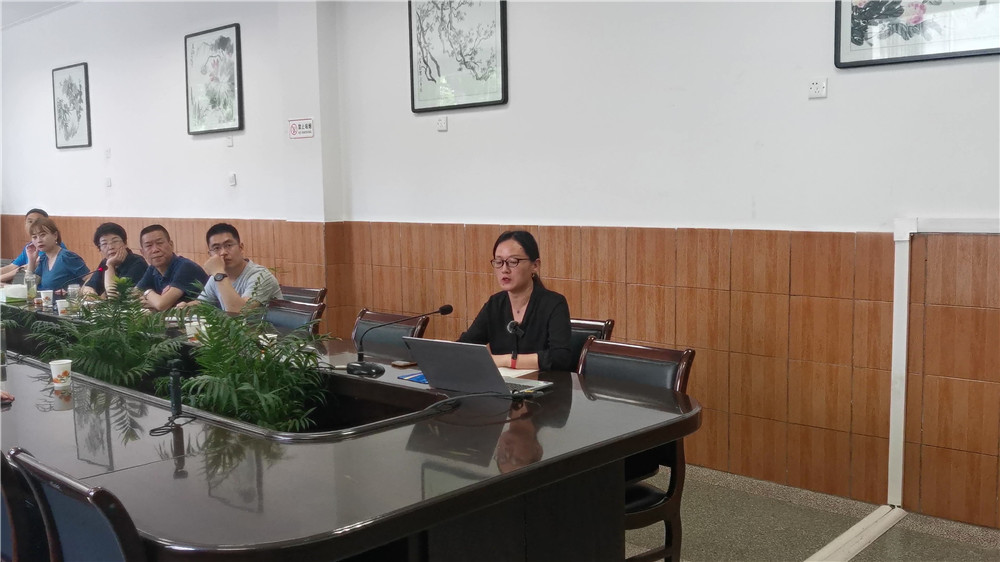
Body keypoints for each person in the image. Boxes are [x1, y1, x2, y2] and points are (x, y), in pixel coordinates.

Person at [459, 230, 573, 372]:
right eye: (498, 262)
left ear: (535, 265)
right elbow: (465, 346)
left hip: (544, 384)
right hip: (502, 384)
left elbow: (560, 358)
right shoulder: (495, 304)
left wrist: (508, 360)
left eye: (513, 262)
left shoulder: (554, 304)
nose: (504, 269)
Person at [178, 223, 282, 312]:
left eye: (228, 245)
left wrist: (219, 274)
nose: (223, 252)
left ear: (241, 248)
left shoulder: (260, 276)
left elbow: (239, 312)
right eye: (216, 248)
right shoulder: (217, 276)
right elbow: (203, 303)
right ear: (210, 254)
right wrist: (186, 307)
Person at [135, 225, 208, 311]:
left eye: (159, 243)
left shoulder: (186, 267)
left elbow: (162, 305)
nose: (155, 250)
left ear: (171, 245)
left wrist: (148, 293)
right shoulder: (152, 269)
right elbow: (131, 297)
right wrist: (154, 301)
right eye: (149, 245)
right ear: (142, 252)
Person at [80, 222, 148, 298]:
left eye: (115, 241)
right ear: (100, 249)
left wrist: (110, 265)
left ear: (125, 243)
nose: (110, 247)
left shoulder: (138, 263)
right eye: (104, 244)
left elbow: (115, 296)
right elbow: (89, 287)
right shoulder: (104, 262)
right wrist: (90, 293)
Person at [0, 208, 65, 283]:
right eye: (30, 221)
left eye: (37, 221)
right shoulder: (30, 246)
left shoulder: (53, 246)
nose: (33, 225)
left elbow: (28, 267)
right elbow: (13, 266)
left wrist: (1, 278)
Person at [26, 217, 90, 291]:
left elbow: (90, 278)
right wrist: (31, 261)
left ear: (55, 235)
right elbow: (30, 287)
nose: (39, 240)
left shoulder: (67, 257)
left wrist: (76, 292)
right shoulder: (44, 259)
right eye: (34, 237)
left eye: (43, 235)